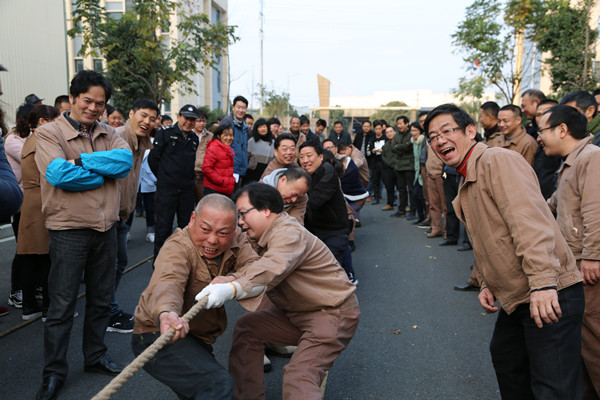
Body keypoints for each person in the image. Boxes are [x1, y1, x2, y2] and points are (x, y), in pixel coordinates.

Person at [425, 103, 584, 399]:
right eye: (432, 136)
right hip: (519, 295)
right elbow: (490, 240)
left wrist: (543, 285)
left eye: (447, 131)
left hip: (549, 290)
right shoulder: (466, 178)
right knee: (508, 361)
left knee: (554, 388)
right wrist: (487, 282)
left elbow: (529, 224)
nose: (439, 140)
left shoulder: (497, 161)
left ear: (471, 131)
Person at [197, 183, 360, 400]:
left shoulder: (288, 232)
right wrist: (228, 279)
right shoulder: (258, 235)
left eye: (243, 213)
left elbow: (272, 265)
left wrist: (231, 288)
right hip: (297, 313)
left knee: (300, 374)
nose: (241, 221)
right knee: (248, 329)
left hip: (331, 314)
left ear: (266, 209)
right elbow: (249, 264)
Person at [34, 70, 133, 400]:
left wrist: (82, 162)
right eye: (87, 100)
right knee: (61, 306)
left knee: (101, 300)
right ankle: (54, 372)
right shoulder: (49, 133)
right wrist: (99, 175)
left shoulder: (109, 132)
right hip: (69, 230)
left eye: (100, 103)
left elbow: (123, 162)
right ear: (73, 98)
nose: (93, 108)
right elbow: (59, 175)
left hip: (106, 229)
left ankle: (95, 356)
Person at [132, 194, 260, 400]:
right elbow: (168, 281)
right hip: (158, 333)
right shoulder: (177, 247)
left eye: (223, 233)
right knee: (219, 387)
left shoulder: (238, 240)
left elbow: (257, 269)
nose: (212, 240)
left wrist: (232, 282)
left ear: (235, 230)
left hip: (198, 337)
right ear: (192, 219)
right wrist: (167, 314)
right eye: (205, 229)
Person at [539, 105, 600, 398]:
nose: (539, 137)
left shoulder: (591, 159)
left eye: (542, 130)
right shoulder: (570, 164)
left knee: (593, 341)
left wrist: (592, 256)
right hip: (572, 264)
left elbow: (595, 212)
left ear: (562, 130)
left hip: (585, 264)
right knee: (580, 342)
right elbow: (550, 206)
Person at [109, 99, 159, 333]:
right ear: (130, 113)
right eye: (143, 115)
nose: (147, 121)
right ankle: (107, 312)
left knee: (118, 263)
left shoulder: (141, 142)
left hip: (122, 213)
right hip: (110, 214)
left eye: (152, 118)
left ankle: (107, 309)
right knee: (111, 265)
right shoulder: (116, 137)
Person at [17, 105, 59, 320]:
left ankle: (29, 306)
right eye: (55, 119)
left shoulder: (28, 141)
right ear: (42, 121)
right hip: (42, 200)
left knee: (30, 257)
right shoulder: (43, 140)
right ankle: (48, 309)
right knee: (45, 258)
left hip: (29, 201)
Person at [299, 141, 357, 284]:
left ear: (320, 156)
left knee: (329, 274)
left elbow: (314, 201)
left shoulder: (327, 170)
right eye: (301, 157)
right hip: (314, 232)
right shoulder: (303, 175)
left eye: (309, 155)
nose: (305, 160)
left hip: (334, 231)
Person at [148, 104, 199, 263]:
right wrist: (165, 178)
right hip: (167, 190)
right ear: (178, 117)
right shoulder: (165, 134)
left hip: (186, 191)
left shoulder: (194, 138)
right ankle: (160, 265)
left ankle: (184, 262)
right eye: (186, 118)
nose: (189, 122)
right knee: (163, 229)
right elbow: (153, 160)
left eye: (192, 120)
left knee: (186, 229)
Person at [5, 103, 34, 310]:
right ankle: (17, 291)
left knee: (36, 249)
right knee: (23, 250)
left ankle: (33, 287)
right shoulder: (12, 140)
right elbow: (33, 158)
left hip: (35, 202)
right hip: (21, 203)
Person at [533, 99, 562, 200]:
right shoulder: (539, 144)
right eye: (538, 114)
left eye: (546, 113)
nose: (542, 118)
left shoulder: (561, 147)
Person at [222, 95, 249, 189]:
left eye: (243, 108)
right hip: (228, 169)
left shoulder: (244, 126)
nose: (241, 110)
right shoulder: (227, 122)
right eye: (238, 107)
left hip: (240, 169)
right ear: (233, 108)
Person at [203, 121, 236, 196]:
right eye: (225, 135)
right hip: (214, 189)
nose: (229, 138)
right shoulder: (213, 147)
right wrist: (222, 181)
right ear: (218, 135)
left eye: (231, 135)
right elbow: (206, 168)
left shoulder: (228, 148)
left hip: (225, 188)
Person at [391, 116, 415, 218]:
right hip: (399, 166)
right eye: (398, 124)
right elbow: (393, 147)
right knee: (401, 189)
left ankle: (412, 211)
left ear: (407, 124)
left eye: (401, 123)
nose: (399, 126)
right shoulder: (397, 135)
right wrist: (401, 147)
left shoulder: (411, 133)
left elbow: (409, 147)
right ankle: (401, 209)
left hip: (409, 166)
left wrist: (399, 146)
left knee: (411, 190)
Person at [245, 118, 274, 184]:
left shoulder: (273, 142)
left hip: (267, 172)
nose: (263, 129)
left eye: (264, 126)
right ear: (256, 129)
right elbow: (246, 157)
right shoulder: (252, 141)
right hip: (252, 172)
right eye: (260, 127)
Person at [194, 108, 213, 203]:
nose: (201, 124)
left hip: (203, 174)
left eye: (204, 121)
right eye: (199, 121)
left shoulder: (210, 136)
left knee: (202, 202)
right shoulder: (188, 134)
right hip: (189, 173)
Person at [409, 122, 426, 224]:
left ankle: (425, 218)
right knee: (415, 195)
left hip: (422, 172)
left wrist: (421, 171)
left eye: (415, 130)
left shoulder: (422, 141)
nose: (413, 133)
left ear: (420, 131)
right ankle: (420, 217)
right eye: (412, 130)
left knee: (421, 196)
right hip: (416, 173)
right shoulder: (414, 142)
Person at [367, 120, 386, 205]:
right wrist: (372, 151)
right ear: (374, 129)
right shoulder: (372, 139)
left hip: (385, 162)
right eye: (376, 129)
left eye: (379, 128)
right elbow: (368, 152)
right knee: (375, 181)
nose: (378, 130)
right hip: (374, 163)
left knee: (387, 181)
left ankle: (391, 200)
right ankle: (376, 197)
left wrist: (383, 150)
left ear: (382, 128)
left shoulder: (386, 138)